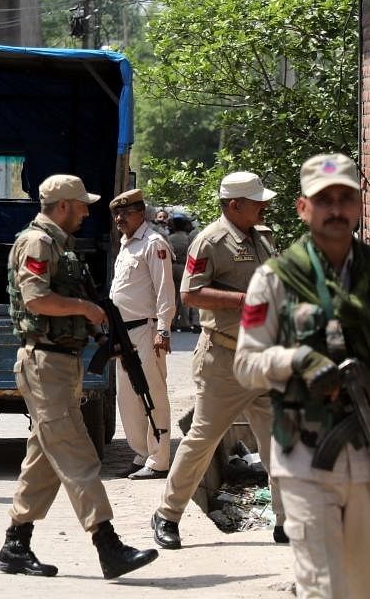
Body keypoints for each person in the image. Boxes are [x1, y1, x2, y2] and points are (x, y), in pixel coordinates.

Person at [0, 174, 158, 580]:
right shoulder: (37, 243)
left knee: (44, 460)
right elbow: (35, 298)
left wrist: (100, 330)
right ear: (63, 206)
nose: (88, 212)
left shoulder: (60, 246)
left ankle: (15, 544)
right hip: (44, 364)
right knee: (78, 455)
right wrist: (86, 310)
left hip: (61, 363)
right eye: (82, 205)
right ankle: (108, 545)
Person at [235, 153, 370, 599]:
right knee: (323, 587)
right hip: (306, 457)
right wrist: (295, 361)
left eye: (345, 198)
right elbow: (246, 364)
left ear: (359, 203)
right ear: (302, 207)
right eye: (324, 199)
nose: (336, 209)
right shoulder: (275, 279)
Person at [151, 171, 286, 549]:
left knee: (277, 441)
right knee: (203, 440)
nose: (264, 205)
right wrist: (245, 301)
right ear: (234, 205)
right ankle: (167, 514)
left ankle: (285, 522)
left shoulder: (262, 237)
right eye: (257, 201)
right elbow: (190, 294)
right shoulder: (209, 241)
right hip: (224, 359)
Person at [108, 189, 176, 480]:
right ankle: (142, 453)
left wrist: (164, 329)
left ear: (142, 213)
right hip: (125, 332)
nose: (120, 219)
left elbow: (165, 291)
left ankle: (159, 460)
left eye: (126, 213)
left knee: (152, 395)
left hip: (147, 331)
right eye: (116, 214)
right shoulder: (127, 244)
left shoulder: (153, 243)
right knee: (128, 397)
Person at [168, 215, 193, 331]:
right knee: (184, 295)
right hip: (184, 267)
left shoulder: (169, 238)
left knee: (172, 296)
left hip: (171, 267)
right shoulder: (188, 239)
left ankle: (171, 321)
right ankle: (184, 322)